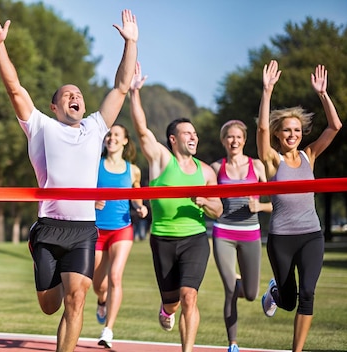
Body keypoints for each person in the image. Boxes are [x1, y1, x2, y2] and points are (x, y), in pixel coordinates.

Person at [0, 8, 138, 352]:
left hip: (84, 229)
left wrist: (130, 43)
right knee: (49, 305)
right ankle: (37, 255)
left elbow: (122, 87)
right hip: (49, 227)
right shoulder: (40, 126)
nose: (74, 97)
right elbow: (14, 88)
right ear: (53, 107)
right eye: (67, 95)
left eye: (78, 94)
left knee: (76, 299)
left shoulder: (96, 128)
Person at [128, 62, 223, 352]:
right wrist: (134, 93)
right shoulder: (160, 159)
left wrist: (205, 201)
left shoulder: (206, 171)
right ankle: (166, 310)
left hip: (195, 238)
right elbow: (142, 131)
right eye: (187, 133)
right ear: (173, 139)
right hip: (163, 240)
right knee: (172, 300)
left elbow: (219, 210)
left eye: (195, 134)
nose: (193, 137)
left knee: (189, 296)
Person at [257, 60, 341, 352]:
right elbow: (261, 130)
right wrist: (267, 91)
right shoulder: (272, 160)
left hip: (311, 235)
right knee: (290, 301)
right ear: (278, 135)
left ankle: (297, 351)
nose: (292, 134)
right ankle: (275, 291)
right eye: (286, 130)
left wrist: (322, 94)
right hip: (281, 238)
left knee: (307, 294)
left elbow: (335, 126)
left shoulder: (309, 155)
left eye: (296, 130)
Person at [210, 120, 272, 352]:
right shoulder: (217, 168)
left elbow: (276, 202)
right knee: (229, 290)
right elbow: (210, 199)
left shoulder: (257, 166)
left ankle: (243, 284)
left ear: (244, 140)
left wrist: (260, 207)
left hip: (250, 232)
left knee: (251, 294)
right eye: (229, 137)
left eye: (238, 137)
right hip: (223, 232)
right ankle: (232, 344)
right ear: (223, 140)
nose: (234, 141)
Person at [93, 124, 148, 348]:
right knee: (99, 284)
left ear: (125, 141)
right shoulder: (94, 166)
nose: (111, 138)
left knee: (115, 276)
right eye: (109, 134)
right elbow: (82, 190)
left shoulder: (133, 169)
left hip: (122, 228)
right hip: (96, 230)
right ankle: (101, 300)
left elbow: (135, 194)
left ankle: (108, 330)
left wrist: (140, 207)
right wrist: (92, 201)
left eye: (117, 135)